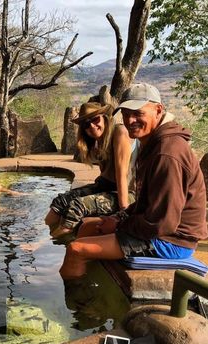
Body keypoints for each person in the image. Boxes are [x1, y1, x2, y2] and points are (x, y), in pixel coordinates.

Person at [59, 83, 207, 279]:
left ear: (158, 110)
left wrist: (119, 226)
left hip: (171, 241)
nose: (130, 120)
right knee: (87, 226)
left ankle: (77, 306)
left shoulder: (167, 153)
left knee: (76, 250)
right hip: (160, 230)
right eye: (126, 113)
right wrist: (120, 217)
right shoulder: (153, 144)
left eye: (138, 113)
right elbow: (148, 203)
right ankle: (92, 283)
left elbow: (162, 224)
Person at [45, 102, 134, 239]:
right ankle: (44, 233)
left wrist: (123, 213)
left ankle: (46, 242)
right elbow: (105, 174)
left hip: (127, 192)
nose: (92, 126)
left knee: (78, 206)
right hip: (106, 186)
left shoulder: (119, 132)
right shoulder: (98, 141)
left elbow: (122, 175)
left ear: (104, 117)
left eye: (95, 119)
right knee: (62, 200)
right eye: (86, 124)